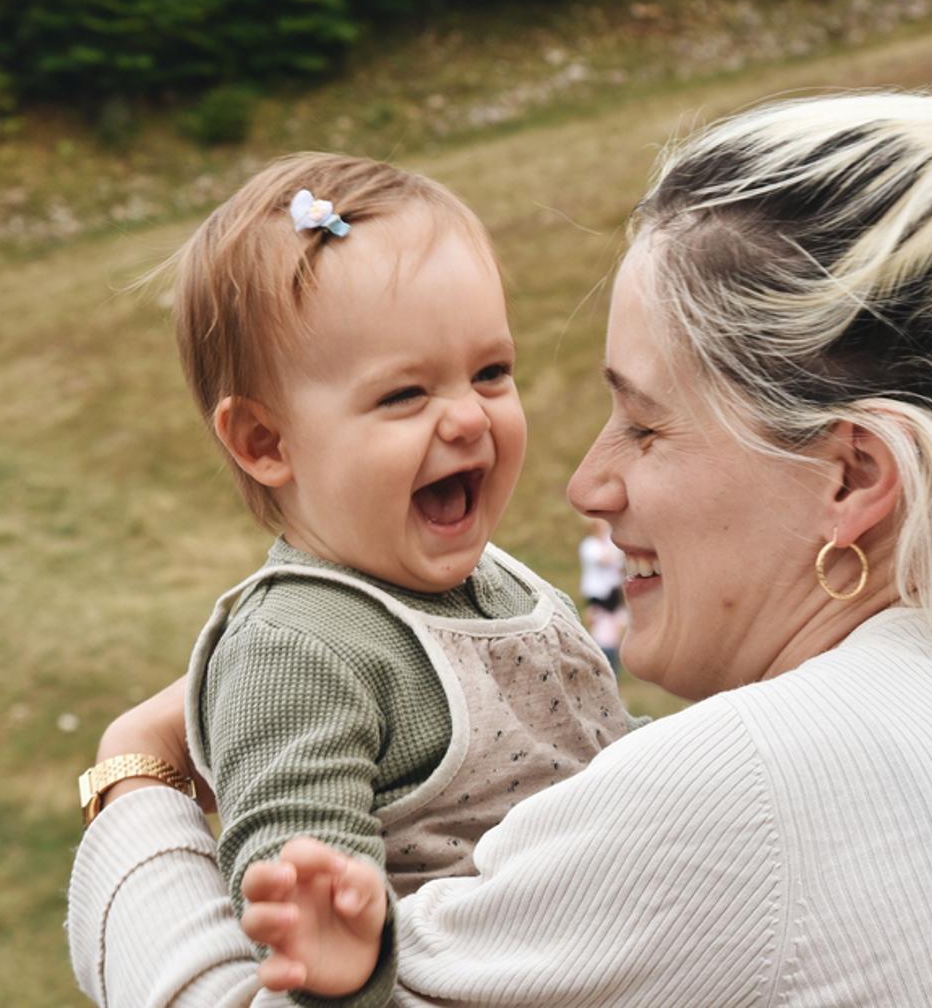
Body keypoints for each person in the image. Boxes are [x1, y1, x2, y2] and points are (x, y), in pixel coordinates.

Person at [69, 36, 932, 1006]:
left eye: (644, 426)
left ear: (853, 478)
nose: (585, 485)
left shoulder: (758, 781)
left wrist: (135, 781)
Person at [76, 153, 631, 1000]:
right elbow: (302, 892)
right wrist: (340, 967)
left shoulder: (497, 579)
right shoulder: (295, 649)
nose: (469, 416)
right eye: (405, 394)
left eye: (491, 372)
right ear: (266, 443)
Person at [577, 518, 627, 669]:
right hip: (597, 592)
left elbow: (620, 566)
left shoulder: (608, 544)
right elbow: (604, 560)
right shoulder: (590, 545)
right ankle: (599, 659)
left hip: (612, 590)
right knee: (599, 623)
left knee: (615, 624)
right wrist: (615, 550)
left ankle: (612, 661)